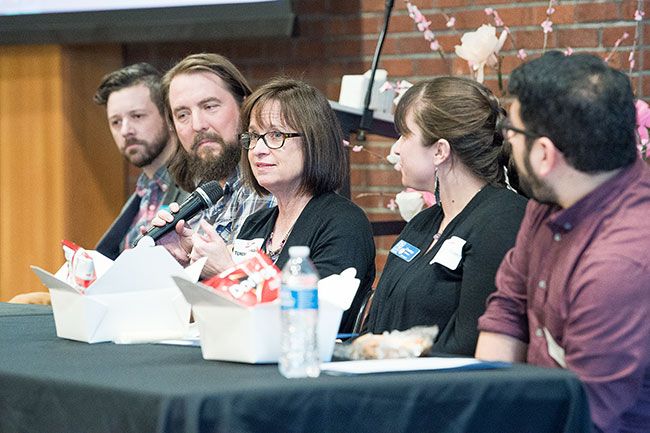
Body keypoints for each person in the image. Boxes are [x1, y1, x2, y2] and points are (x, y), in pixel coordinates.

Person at [475, 52, 650, 433]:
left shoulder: (620, 265)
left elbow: (587, 418)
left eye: (513, 132)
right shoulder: (550, 201)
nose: (506, 141)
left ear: (543, 154)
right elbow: (507, 311)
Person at [185, 78, 376, 333]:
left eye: (275, 135)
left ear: (314, 141)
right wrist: (189, 258)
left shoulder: (343, 223)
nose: (258, 150)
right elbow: (228, 318)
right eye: (253, 136)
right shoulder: (258, 223)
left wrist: (229, 271)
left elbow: (310, 323)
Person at [363, 77, 528, 356]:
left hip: (443, 392)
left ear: (440, 150)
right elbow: (374, 326)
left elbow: (469, 344)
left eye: (405, 135)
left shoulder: (502, 220)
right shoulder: (422, 223)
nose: (396, 149)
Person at [155, 53, 274, 263]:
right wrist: (177, 262)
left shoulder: (270, 186)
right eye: (183, 115)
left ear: (244, 107)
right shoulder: (192, 200)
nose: (197, 125)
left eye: (210, 106)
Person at [92, 63, 186, 260]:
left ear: (169, 118)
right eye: (116, 122)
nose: (126, 130)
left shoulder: (194, 185)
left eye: (137, 116)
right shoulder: (142, 193)